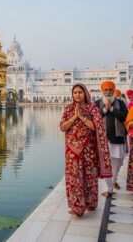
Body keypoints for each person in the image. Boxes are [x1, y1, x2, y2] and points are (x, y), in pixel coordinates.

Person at [60, 83, 112, 217]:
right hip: (72, 151)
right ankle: (77, 207)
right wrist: (74, 117)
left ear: (85, 93)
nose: (77, 95)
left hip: (88, 149)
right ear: (72, 94)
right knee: (74, 178)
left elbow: (96, 127)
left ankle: (90, 203)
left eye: (80, 92)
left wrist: (82, 117)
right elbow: (63, 127)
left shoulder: (92, 108)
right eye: (75, 92)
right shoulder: (68, 109)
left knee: (89, 176)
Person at [95, 81, 128, 195]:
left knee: (118, 164)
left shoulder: (120, 103)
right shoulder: (97, 103)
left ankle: (113, 181)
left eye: (110, 89)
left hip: (118, 139)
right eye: (106, 89)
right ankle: (109, 188)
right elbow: (95, 118)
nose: (108, 91)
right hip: (103, 140)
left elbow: (124, 117)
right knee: (106, 165)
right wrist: (105, 109)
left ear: (114, 90)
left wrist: (112, 109)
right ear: (102, 91)